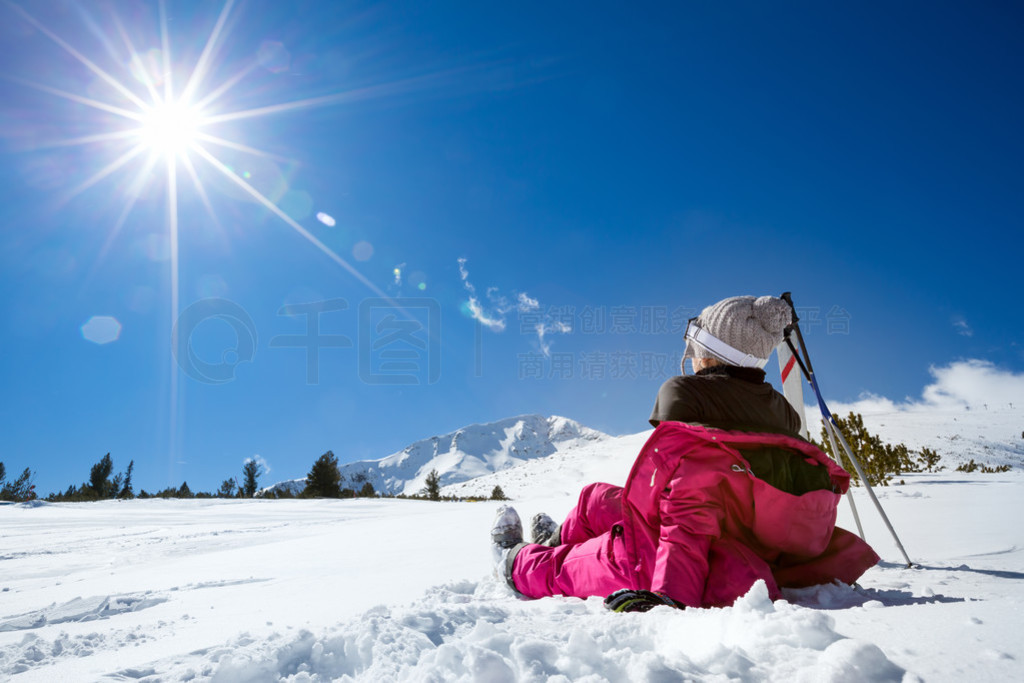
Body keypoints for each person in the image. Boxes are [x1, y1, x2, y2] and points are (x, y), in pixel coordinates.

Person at [490, 295, 879, 612]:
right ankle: (559, 537)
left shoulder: (686, 396)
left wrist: (671, 596)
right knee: (595, 497)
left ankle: (515, 560)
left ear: (707, 352)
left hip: (667, 554)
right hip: (730, 525)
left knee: (558, 569)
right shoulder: (781, 412)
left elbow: (692, 503)